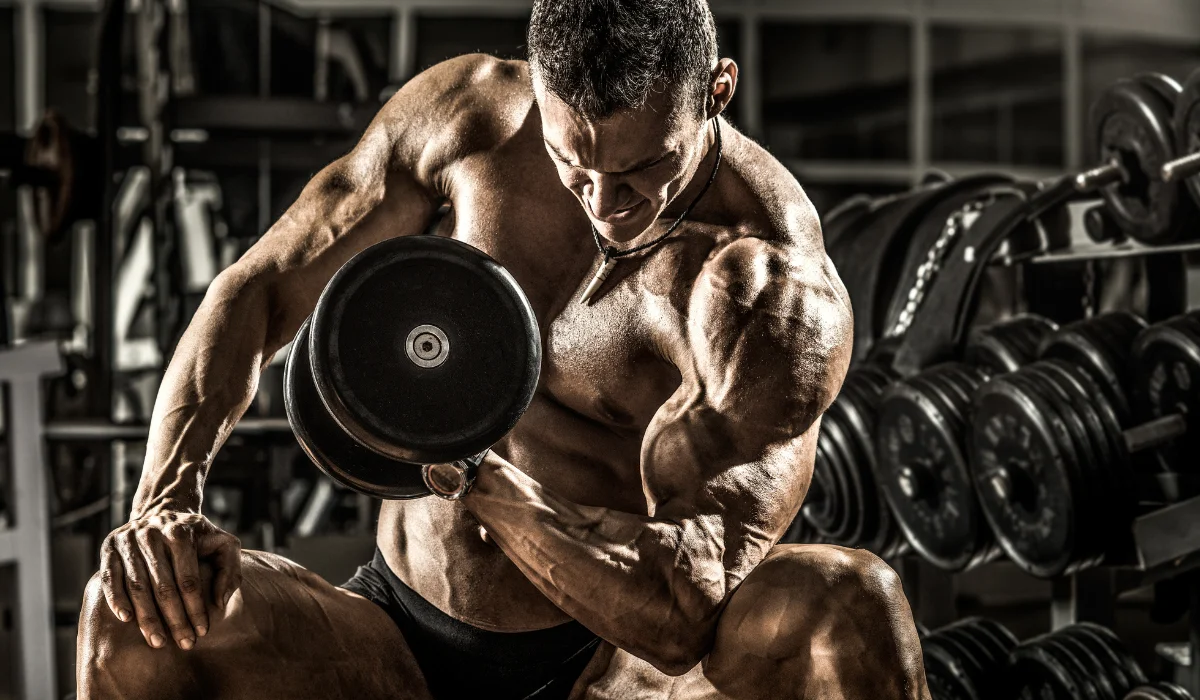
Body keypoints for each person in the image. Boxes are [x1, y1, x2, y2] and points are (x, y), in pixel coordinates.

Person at [78, 1, 928, 698]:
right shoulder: (471, 120)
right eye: (573, 164)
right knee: (132, 615)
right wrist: (164, 501)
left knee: (851, 609)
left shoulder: (764, 289)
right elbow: (259, 290)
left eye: (641, 170)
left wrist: (473, 474)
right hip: (395, 640)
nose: (604, 203)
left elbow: (679, 610)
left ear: (716, 91)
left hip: (613, 666)